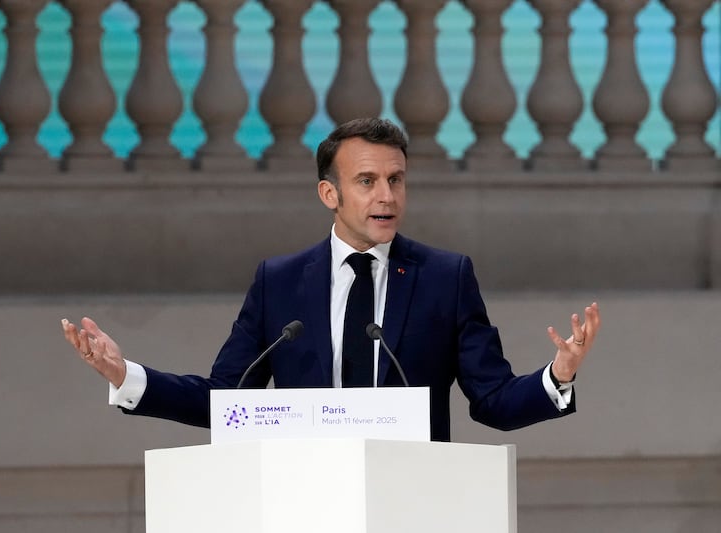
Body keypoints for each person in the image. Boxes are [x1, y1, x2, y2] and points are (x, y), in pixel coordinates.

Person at [62, 117, 600, 442]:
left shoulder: (445, 277)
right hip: (306, 502)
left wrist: (557, 374)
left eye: (395, 179)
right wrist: (125, 375)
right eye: (366, 181)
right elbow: (228, 401)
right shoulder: (280, 282)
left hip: (416, 501)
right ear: (329, 194)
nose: (386, 195)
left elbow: (493, 402)